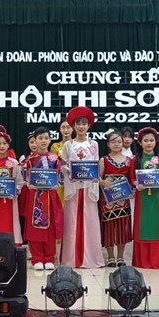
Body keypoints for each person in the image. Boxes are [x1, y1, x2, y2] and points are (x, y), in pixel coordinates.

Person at [61, 107, 104, 269]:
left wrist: (95, 176)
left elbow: (95, 163)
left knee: (90, 221)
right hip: (73, 187)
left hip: (88, 187)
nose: (81, 127)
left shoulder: (94, 144)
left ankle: (91, 258)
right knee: (71, 222)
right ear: (73, 125)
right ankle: (71, 259)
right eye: (78, 124)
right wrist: (69, 172)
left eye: (84, 124)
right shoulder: (68, 145)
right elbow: (64, 164)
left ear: (89, 126)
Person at [129, 127, 159, 269]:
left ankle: (158, 259)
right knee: (143, 225)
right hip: (142, 198)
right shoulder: (136, 160)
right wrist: (136, 184)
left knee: (157, 226)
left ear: (156, 142)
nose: (149, 143)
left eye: (151, 140)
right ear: (140, 143)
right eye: (146, 141)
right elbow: (132, 178)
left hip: (157, 197)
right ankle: (142, 260)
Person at [23, 127, 64, 270]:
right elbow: (25, 177)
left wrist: (58, 184)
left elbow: (61, 176)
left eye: (46, 138)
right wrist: (28, 183)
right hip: (35, 197)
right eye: (40, 138)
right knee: (34, 228)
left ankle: (49, 257)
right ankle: (37, 258)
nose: (43, 141)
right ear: (35, 140)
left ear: (50, 140)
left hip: (50, 196)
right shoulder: (30, 159)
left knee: (51, 228)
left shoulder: (55, 158)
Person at [98, 129, 132, 267]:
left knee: (123, 227)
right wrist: (103, 182)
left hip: (124, 198)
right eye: (113, 141)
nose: (117, 144)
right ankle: (111, 257)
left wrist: (132, 190)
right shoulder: (104, 160)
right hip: (108, 199)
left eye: (119, 141)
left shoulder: (129, 161)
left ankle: (120, 257)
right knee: (109, 227)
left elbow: (132, 179)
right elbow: (97, 178)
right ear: (108, 144)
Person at [51, 121, 73, 205]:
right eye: (63, 127)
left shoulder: (76, 145)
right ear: (60, 129)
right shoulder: (55, 146)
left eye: (68, 127)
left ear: (73, 128)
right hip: (60, 180)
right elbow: (53, 165)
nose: (66, 130)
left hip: (73, 179)